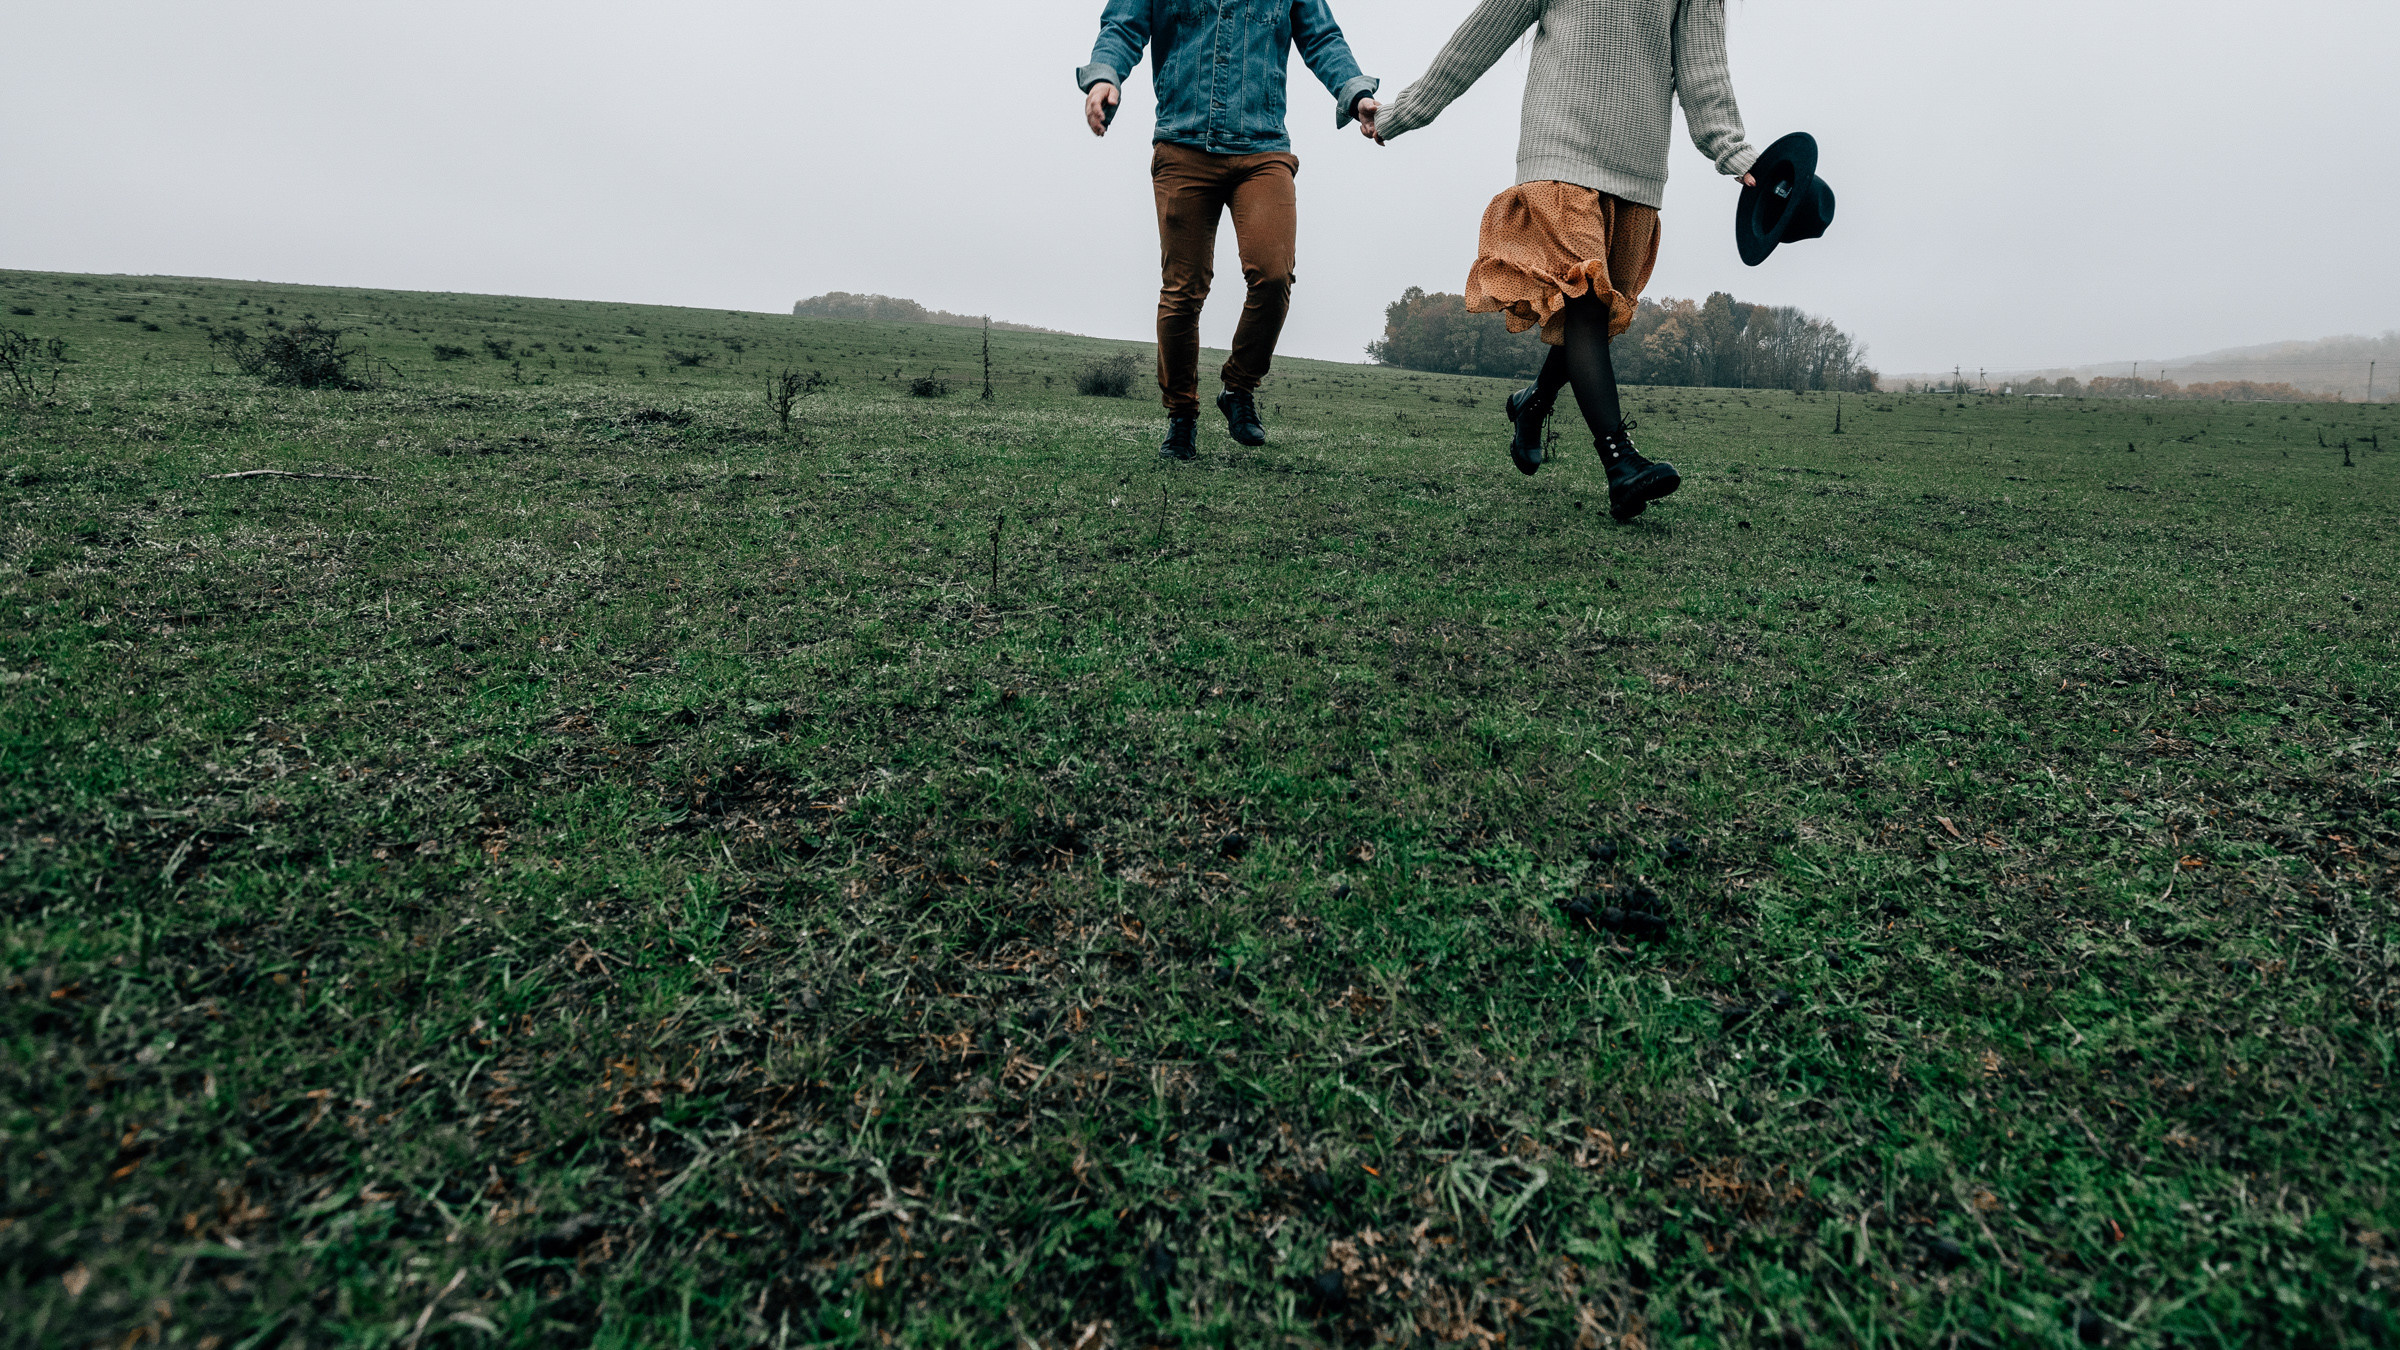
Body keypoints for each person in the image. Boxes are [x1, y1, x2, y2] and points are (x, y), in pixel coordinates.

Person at [1368, 0, 1761, 520]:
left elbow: (1701, 65)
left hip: (1638, 166)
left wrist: (1732, 150)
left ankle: (1534, 402)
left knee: (1593, 305)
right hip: (1560, 147)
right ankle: (1620, 466)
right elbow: (1482, 34)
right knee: (1585, 304)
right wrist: (1400, 114)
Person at [1079, 1, 1381, 461]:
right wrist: (1105, 77)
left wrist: (1355, 92)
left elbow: (1322, 38)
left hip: (1262, 149)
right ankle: (1181, 417)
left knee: (1274, 274)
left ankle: (1238, 388)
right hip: (1182, 145)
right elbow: (1123, 26)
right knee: (1183, 289)